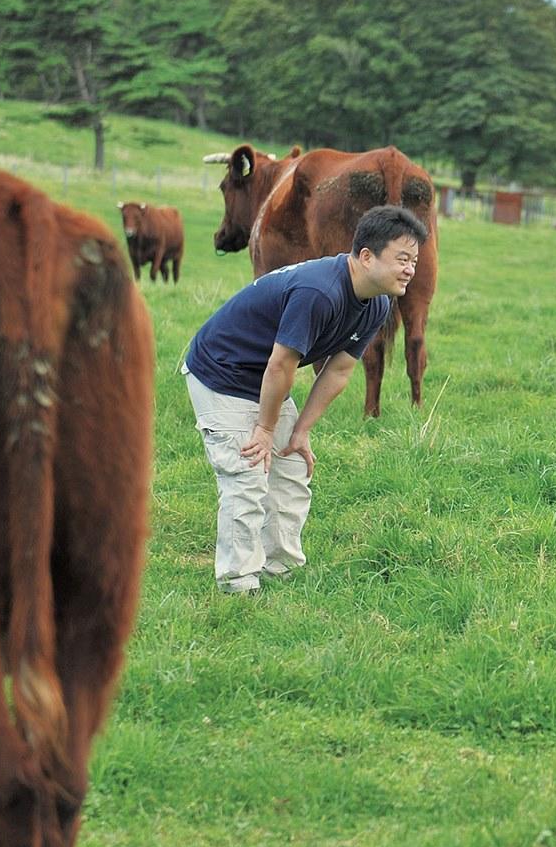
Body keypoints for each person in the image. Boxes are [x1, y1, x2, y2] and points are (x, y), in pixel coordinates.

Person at [182, 205, 426, 594]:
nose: (411, 269)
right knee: (248, 470)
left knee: (291, 466)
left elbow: (339, 370)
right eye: (402, 258)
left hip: (265, 377)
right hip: (222, 371)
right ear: (366, 256)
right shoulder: (320, 291)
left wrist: (300, 430)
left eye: (414, 260)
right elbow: (281, 364)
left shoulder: (377, 303)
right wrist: (264, 429)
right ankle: (238, 583)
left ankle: (281, 569)